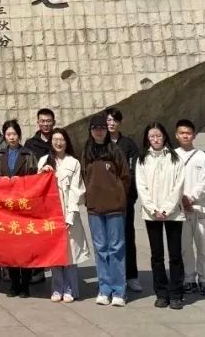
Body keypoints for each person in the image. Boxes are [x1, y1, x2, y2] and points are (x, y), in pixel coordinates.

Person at [137, 122, 186, 310]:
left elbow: (178, 186)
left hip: (173, 213)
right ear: (147, 139)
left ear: (164, 136)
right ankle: (161, 293)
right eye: (152, 136)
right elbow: (141, 187)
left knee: (175, 255)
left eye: (158, 136)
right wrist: (152, 209)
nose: (156, 139)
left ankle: (176, 294)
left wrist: (165, 209)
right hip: (151, 214)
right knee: (157, 255)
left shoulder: (175, 158)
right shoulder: (143, 159)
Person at [37, 127, 89, 302]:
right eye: (55, 140)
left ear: (67, 142)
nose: (58, 143)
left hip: (67, 212)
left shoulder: (73, 162)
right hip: (50, 214)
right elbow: (37, 187)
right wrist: (42, 173)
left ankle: (70, 288)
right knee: (54, 252)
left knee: (69, 253)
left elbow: (76, 190)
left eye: (62, 140)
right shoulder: (44, 160)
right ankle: (57, 287)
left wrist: (70, 216)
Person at [84, 115, 130, 307]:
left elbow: (125, 176)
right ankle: (104, 289)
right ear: (90, 131)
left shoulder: (115, 150)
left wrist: (119, 196)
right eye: (95, 128)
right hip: (95, 208)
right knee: (100, 249)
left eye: (102, 128)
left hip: (114, 208)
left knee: (116, 248)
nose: (99, 131)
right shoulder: (87, 151)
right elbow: (85, 176)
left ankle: (119, 291)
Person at [0, 119, 37, 298]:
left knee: (25, 246)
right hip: (7, 205)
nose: (11, 137)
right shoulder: (0, 154)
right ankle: (14, 283)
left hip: (24, 204)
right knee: (10, 246)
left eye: (14, 134)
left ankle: (25, 284)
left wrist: (22, 182)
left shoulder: (28, 154)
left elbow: (35, 179)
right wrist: (1, 180)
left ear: (19, 135)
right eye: (8, 134)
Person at [175, 119, 205, 297]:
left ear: (194, 135)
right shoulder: (172, 156)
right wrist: (181, 200)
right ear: (176, 135)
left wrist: (190, 198)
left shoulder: (202, 157)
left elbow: (204, 182)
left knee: (202, 246)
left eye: (188, 133)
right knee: (185, 247)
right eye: (182, 133)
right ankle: (188, 278)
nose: (185, 136)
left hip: (199, 209)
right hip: (180, 210)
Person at [106, 107, 142, 293]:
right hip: (105, 200)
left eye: (114, 120)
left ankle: (131, 276)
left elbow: (134, 172)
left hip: (124, 199)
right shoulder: (99, 143)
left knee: (127, 236)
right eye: (108, 120)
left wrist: (129, 195)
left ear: (120, 123)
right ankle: (110, 277)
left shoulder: (128, 144)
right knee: (107, 240)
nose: (111, 123)